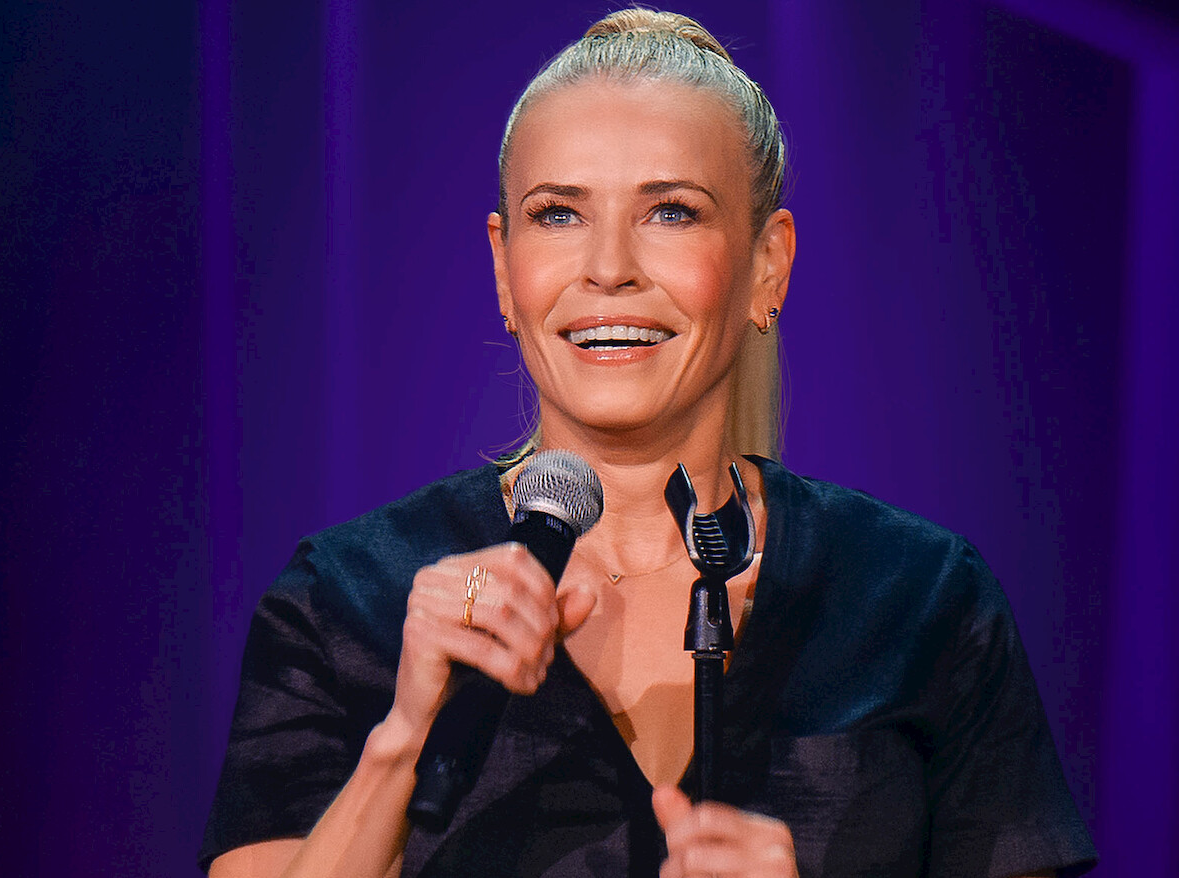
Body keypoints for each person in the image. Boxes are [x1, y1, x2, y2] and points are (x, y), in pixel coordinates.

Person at [200, 9, 1096, 878]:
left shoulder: (920, 599)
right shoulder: (343, 601)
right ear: (503, 267)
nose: (609, 268)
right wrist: (401, 744)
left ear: (769, 263)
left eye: (671, 212)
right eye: (559, 214)